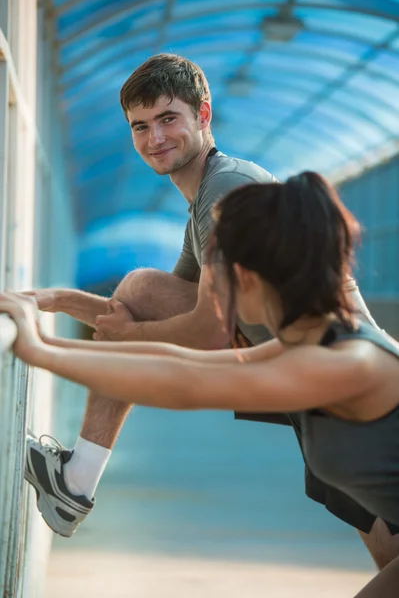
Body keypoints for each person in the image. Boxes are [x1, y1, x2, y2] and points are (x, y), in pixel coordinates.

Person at [13, 54, 399, 569]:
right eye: (140, 127)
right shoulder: (205, 198)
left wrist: (41, 346)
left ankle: (76, 480)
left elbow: (206, 333)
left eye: (168, 119)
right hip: (302, 359)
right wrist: (52, 303)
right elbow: (159, 328)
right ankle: (75, 481)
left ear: (203, 115)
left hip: (332, 366)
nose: (155, 138)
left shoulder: (228, 191)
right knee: (385, 537)